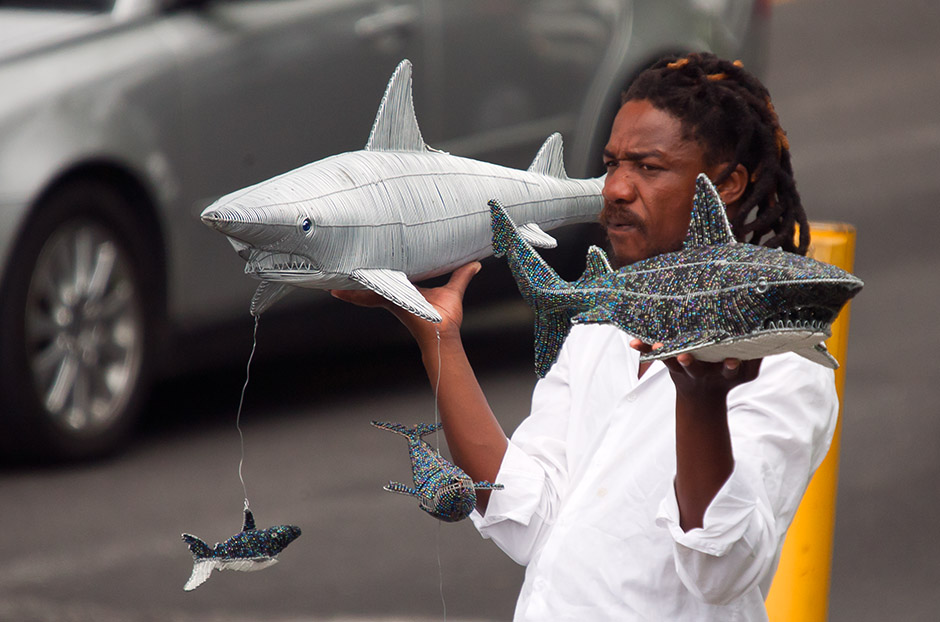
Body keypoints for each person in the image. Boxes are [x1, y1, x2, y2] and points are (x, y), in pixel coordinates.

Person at [334, 52, 838, 620]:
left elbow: (719, 571)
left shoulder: (781, 359)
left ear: (725, 184)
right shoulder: (600, 323)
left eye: (648, 167)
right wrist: (438, 339)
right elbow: (525, 516)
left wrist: (701, 401)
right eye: (611, 163)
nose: (616, 188)